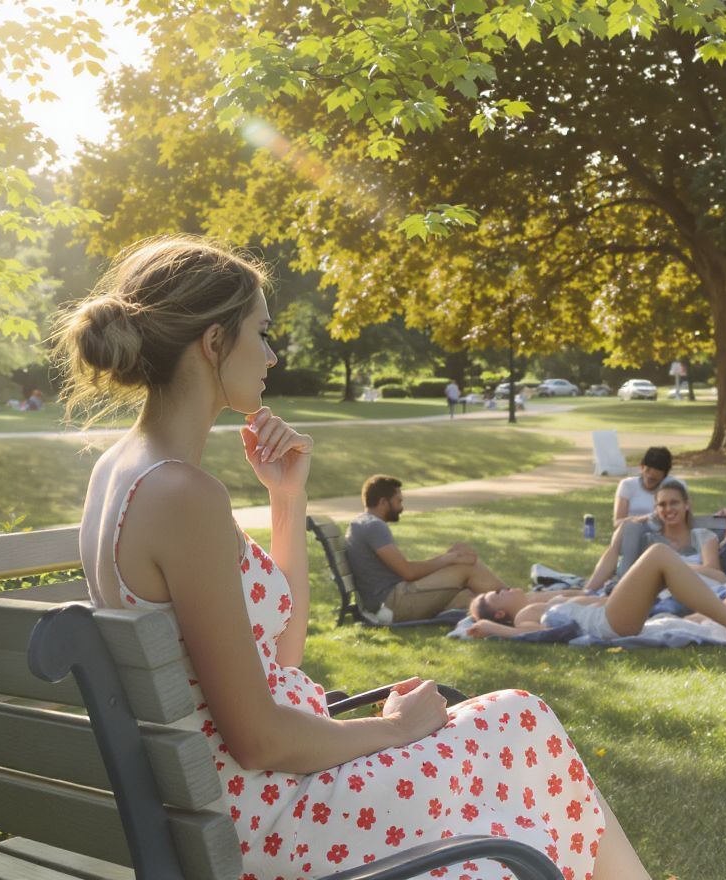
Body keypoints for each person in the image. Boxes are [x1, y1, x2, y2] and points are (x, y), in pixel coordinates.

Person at [55, 235, 650, 880]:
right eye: (262, 331)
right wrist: (394, 731)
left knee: (516, 726)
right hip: (266, 813)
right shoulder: (181, 493)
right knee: (521, 727)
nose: (273, 353)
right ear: (214, 342)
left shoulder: (122, 473)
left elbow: (276, 657)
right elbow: (259, 739)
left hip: (227, 801)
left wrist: (286, 499)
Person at [470, 536, 726, 649]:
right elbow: (536, 637)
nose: (503, 588)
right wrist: (486, 628)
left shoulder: (546, 597)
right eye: (496, 596)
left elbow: (596, 584)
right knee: (660, 555)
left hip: (653, 618)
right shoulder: (526, 617)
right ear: (501, 614)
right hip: (613, 623)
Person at [345, 475, 518, 623]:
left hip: (389, 602)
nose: (401, 507)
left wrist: (448, 557)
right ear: (383, 502)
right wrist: (449, 559)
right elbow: (408, 572)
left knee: (468, 597)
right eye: (398, 501)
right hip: (392, 605)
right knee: (467, 567)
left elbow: (403, 570)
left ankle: (519, 609)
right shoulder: (374, 526)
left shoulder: (363, 523)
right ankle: (518, 602)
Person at [585, 478, 726, 595]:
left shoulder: (702, 536)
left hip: (699, 596)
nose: (668, 509)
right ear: (656, 509)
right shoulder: (649, 541)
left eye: (674, 503)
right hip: (660, 598)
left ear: (686, 505)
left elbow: (719, 577)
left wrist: (673, 566)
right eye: (662, 504)